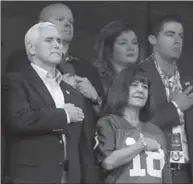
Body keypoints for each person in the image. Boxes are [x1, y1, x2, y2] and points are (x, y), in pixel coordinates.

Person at [3, 3, 103, 182]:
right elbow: (18, 119)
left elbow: (82, 142)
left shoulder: (71, 90)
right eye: (49, 40)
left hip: (68, 176)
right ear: (32, 48)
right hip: (31, 177)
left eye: (59, 41)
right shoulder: (16, 80)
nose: (57, 45)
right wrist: (63, 115)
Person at [139, 14, 193, 183]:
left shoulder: (192, 84)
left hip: (185, 173)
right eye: (170, 34)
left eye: (180, 36)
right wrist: (175, 107)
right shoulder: (137, 76)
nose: (177, 40)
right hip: (150, 171)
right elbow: (134, 129)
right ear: (152, 39)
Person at [94, 66, 172, 183]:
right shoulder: (108, 123)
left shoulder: (156, 131)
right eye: (134, 85)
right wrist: (142, 145)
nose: (140, 90)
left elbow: (166, 176)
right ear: (121, 89)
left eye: (145, 87)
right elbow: (108, 163)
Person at [93, 20, 140, 95]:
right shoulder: (96, 80)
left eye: (134, 42)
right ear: (109, 49)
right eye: (123, 43)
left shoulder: (144, 80)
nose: (131, 48)